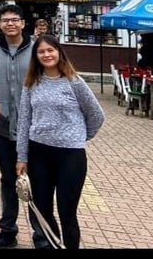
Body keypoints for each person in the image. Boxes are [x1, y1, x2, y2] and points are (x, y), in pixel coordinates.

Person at [16, 34, 105, 249]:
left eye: (50, 50)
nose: (46, 55)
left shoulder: (75, 82)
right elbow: (24, 120)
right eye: (41, 52)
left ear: (59, 52)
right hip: (39, 154)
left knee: (67, 212)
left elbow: (96, 115)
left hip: (70, 156)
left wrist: (80, 136)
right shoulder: (31, 84)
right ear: (36, 57)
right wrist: (22, 156)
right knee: (41, 209)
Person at [0, 3, 46, 249]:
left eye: (14, 20)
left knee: (35, 182)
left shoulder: (36, 50)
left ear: (23, 24)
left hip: (33, 129)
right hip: (3, 128)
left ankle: (41, 234)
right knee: (8, 180)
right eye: (5, 20)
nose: (10, 24)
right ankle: (8, 230)